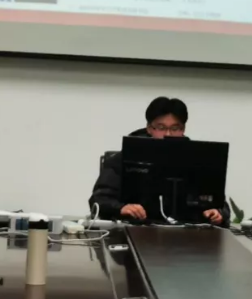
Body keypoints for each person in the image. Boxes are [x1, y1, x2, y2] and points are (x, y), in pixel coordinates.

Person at [88, 97, 229, 226]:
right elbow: (99, 199)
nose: (168, 134)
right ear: (149, 128)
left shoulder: (198, 159)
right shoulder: (124, 158)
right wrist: (121, 208)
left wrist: (218, 213)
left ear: (183, 129)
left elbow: (220, 203)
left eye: (175, 128)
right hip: (138, 228)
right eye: (161, 128)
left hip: (188, 234)